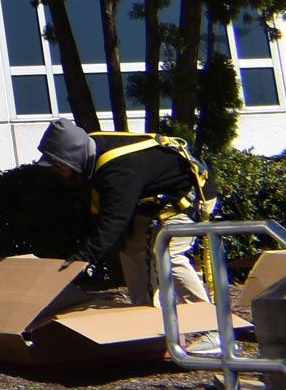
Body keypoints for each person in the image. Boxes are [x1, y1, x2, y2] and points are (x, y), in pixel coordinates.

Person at [35, 117, 211, 306]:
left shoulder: (118, 171)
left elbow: (112, 223)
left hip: (191, 197)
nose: (55, 170)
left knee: (166, 253)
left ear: (72, 157)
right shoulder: (90, 150)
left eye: (57, 164)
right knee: (130, 248)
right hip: (155, 201)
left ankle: (209, 325)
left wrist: (79, 262)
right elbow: (105, 215)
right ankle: (145, 312)